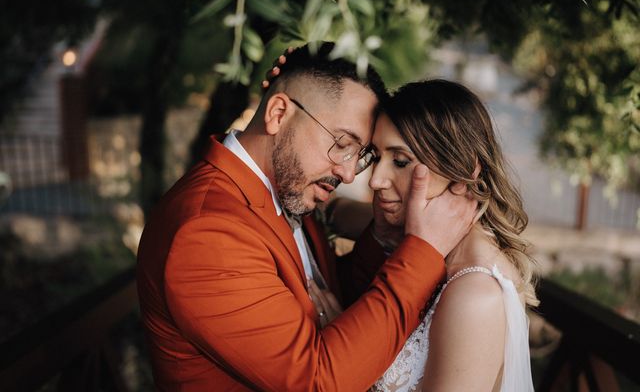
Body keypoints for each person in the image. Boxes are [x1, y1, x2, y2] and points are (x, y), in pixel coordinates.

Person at [136, 44, 478, 391]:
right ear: (279, 113)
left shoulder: (288, 188)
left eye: (360, 155)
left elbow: (324, 293)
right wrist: (422, 251)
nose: (349, 174)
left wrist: (384, 238)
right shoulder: (207, 232)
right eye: (342, 143)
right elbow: (317, 382)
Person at [354, 79, 537, 392]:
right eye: (375, 156)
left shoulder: (475, 294)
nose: (376, 180)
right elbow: (347, 215)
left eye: (400, 161)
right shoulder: (427, 247)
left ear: (463, 170)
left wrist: (337, 331)